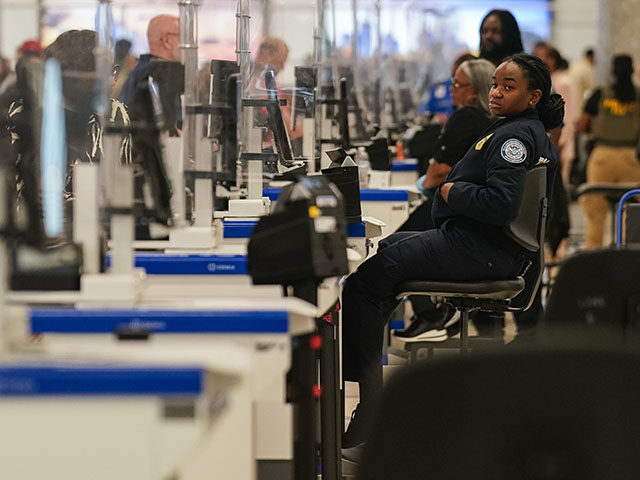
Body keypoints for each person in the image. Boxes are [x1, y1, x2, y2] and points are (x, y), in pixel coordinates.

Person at [341, 53, 563, 450]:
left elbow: (501, 204)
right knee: (386, 252)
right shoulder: (518, 128)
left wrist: (451, 191)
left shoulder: (514, 138)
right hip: (480, 246)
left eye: (508, 87)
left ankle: (371, 403)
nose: (495, 92)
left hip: (478, 250)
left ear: (533, 97)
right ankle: (372, 390)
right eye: (495, 83)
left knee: (363, 282)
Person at [392, 58, 496, 342]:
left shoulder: (464, 118)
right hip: (479, 216)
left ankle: (429, 314)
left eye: (457, 84)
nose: (451, 89)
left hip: (454, 211)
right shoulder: (493, 122)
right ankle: (435, 313)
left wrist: (421, 187)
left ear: (474, 91)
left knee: (394, 241)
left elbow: (439, 172)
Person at [4, 30, 131, 241]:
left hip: (103, 237)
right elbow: (20, 201)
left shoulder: (116, 113)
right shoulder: (24, 117)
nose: (111, 82)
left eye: (112, 72)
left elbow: (119, 191)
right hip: (42, 241)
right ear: (71, 78)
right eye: (103, 74)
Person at [577, 54, 640, 249]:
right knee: (631, 210)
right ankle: (628, 256)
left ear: (612, 71)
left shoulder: (600, 93)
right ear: (632, 71)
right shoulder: (638, 94)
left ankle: (594, 258)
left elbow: (583, 124)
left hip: (602, 155)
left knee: (595, 212)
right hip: (631, 158)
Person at [118, 14, 180, 105]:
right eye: (183, 37)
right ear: (167, 40)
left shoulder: (142, 70)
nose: (187, 45)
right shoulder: (158, 74)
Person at [538, 45, 577, 185]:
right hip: (546, 135)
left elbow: (569, 112)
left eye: (546, 56)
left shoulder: (564, 81)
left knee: (559, 180)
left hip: (561, 135)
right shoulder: (545, 78)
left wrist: (563, 138)